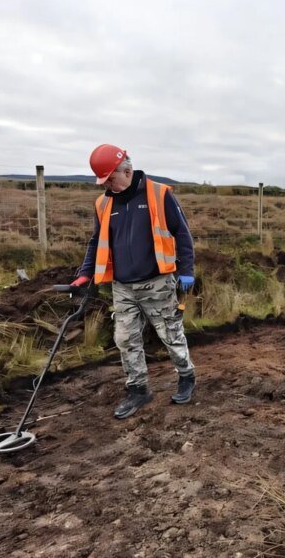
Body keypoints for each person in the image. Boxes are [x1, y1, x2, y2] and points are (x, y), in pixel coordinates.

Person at [72, 144, 196, 419]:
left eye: (111, 180)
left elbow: (182, 234)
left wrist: (187, 270)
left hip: (157, 282)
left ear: (126, 171)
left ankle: (186, 375)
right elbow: (97, 241)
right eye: (104, 182)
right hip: (122, 286)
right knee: (125, 338)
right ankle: (138, 389)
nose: (108, 186)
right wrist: (85, 272)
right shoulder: (104, 203)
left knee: (169, 334)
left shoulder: (159, 194)